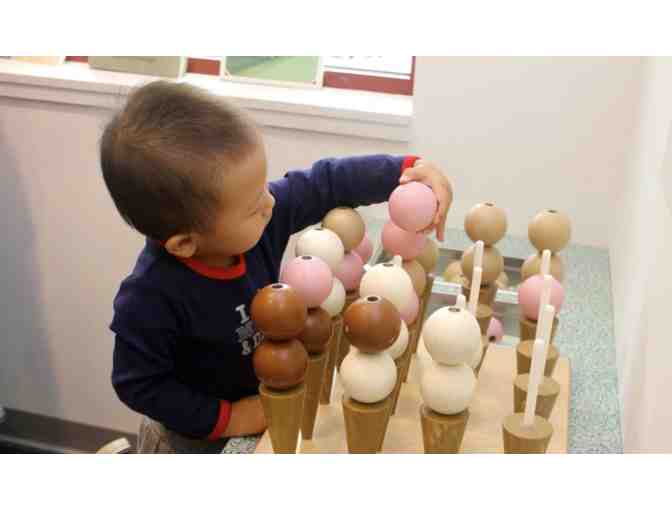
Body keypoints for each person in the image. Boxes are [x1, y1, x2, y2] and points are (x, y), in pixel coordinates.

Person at [100, 80, 453, 453]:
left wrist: (406, 171)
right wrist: (230, 418)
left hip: (268, 407)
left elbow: (326, 183)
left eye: (263, 190)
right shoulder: (150, 297)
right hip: (198, 440)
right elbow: (138, 383)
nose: (271, 203)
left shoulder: (258, 220)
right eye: (254, 204)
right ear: (186, 243)